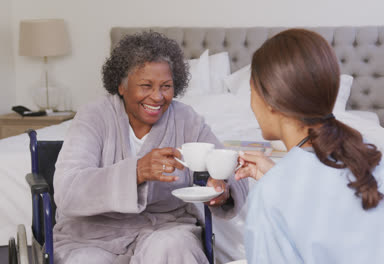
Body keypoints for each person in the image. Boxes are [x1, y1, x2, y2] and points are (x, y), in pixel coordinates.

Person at [52, 31, 248, 264]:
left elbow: (231, 169)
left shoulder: (186, 119)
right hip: (92, 233)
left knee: (172, 247)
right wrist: (136, 171)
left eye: (166, 86)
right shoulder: (93, 117)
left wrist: (223, 190)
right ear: (121, 86)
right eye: (146, 85)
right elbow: (68, 190)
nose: (157, 97)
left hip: (164, 229)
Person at [235, 29, 384, 263]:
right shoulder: (377, 166)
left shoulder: (272, 194)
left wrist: (279, 181)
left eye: (251, 92)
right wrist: (279, 175)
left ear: (270, 101)